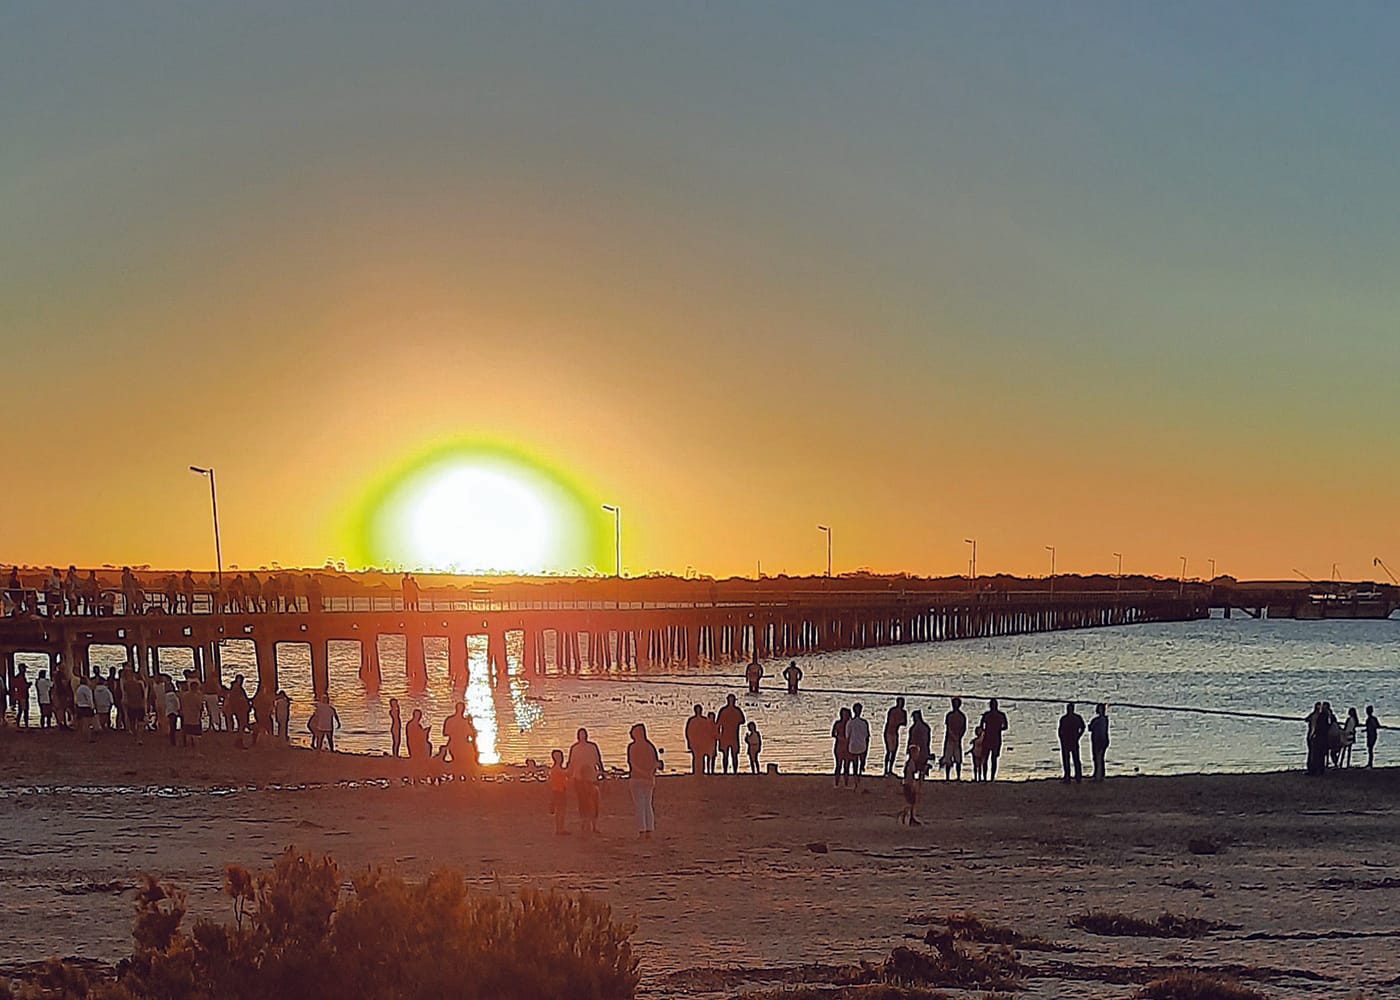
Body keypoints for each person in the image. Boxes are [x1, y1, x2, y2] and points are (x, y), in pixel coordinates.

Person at [626, 723, 663, 839]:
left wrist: (644, 773)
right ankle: (649, 830)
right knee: (647, 804)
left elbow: (632, 764)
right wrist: (650, 773)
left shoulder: (632, 747)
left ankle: (642, 830)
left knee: (640, 805)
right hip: (648, 778)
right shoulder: (650, 746)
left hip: (637, 778)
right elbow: (656, 763)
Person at [566, 728, 605, 834]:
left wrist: (602, 773)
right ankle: (584, 823)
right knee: (582, 802)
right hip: (579, 778)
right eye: (580, 734)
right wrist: (569, 775)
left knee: (593, 802)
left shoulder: (592, 747)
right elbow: (571, 762)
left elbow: (598, 760)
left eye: (584, 734)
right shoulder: (574, 748)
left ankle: (594, 824)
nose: (582, 736)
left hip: (591, 777)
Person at [980, 699, 1009, 781]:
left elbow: (981, 726)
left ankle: (986, 777)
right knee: (993, 759)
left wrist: (986, 729)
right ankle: (991, 778)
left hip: (989, 737)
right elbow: (1005, 727)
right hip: (996, 738)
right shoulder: (1001, 715)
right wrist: (998, 728)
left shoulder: (987, 715)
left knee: (987, 758)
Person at [716, 694, 745, 774]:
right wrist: (718, 735)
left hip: (733, 736)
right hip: (726, 735)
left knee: (734, 755)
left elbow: (743, 721)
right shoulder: (724, 710)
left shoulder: (736, 710)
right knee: (725, 755)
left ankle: (734, 771)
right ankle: (725, 771)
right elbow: (718, 723)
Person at [1058, 702, 1085, 783]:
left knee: (1073, 759)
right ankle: (1073, 777)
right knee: (1071, 759)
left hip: (1071, 740)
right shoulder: (1067, 718)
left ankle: (1073, 777)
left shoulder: (1067, 718)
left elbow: (1083, 727)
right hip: (1069, 740)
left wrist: (1078, 736)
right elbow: (1060, 731)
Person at [942, 697, 967, 781]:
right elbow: (948, 728)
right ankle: (947, 777)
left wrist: (958, 737)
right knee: (948, 759)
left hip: (956, 740)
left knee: (957, 759)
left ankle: (958, 776)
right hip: (950, 739)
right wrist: (956, 736)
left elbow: (963, 728)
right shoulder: (950, 715)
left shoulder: (961, 716)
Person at [847, 703, 871, 787]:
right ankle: (859, 776)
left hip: (853, 746)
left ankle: (855, 778)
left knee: (855, 763)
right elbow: (867, 736)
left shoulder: (850, 723)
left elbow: (847, 735)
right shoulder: (864, 722)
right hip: (862, 745)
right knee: (861, 761)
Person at [898, 744, 922, 826]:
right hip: (909, 784)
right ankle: (907, 816)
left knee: (912, 802)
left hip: (907, 783)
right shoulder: (911, 763)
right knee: (911, 802)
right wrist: (913, 785)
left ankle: (911, 817)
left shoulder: (910, 763)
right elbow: (910, 775)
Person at [883, 697, 907, 775]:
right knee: (888, 751)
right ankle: (886, 769)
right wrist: (898, 721)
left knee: (894, 751)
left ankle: (890, 769)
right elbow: (890, 721)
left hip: (895, 732)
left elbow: (904, 723)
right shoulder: (892, 711)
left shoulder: (903, 712)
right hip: (889, 732)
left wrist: (898, 722)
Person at [548, 748, 570, 834]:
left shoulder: (556, 768)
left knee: (561, 810)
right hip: (558, 791)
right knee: (560, 810)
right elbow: (567, 773)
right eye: (557, 757)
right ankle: (560, 829)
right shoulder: (556, 768)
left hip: (559, 790)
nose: (559, 758)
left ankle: (560, 828)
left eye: (560, 757)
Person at [907, 709, 931, 781]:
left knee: (913, 766)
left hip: (916, 749)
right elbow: (928, 740)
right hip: (924, 749)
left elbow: (911, 739)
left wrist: (908, 749)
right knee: (921, 766)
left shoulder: (914, 728)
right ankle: (921, 780)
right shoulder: (926, 727)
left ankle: (913, 780)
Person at [1088, 703, 1110, 781]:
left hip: (1100, 740)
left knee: (1098, 758)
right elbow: (1090, 728)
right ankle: (1099, 774)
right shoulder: (1100, 720)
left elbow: (1091, 728)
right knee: (1097, 758)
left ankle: (1099, 775)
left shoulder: (1101, 720)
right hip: (1097, 739)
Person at [179, 680, 204, 747]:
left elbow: (181, 705)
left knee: (188, 734)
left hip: (186, 717)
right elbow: (199, 706)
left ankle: (188, 748)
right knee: (195, 736)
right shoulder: (196, 697)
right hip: (195, 718)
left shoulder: (184, 695)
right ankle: (195, 749)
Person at [832, 707, 852, 787]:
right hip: (839, 746)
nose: (845, 716)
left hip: (847, 747)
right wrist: (839, 737)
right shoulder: (837, 723)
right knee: (838, 765)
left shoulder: (850, 724)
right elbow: (833, 734)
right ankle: (836, 782)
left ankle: (846, 783)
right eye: (844, 714)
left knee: (847, 766)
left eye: (846, 715)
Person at [685, 704, 708, 774]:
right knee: (695, 757)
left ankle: (702, 771)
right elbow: (688, 732)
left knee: (702, 757)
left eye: (699, 710)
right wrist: (689, 742)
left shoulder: (705, 720)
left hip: (702, 741)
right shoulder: (691, 720)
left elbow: (707, 731)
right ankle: (695, 771)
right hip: (694, 741)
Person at [74, 674, 96, 741]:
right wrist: (92, 706)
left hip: (80, 706)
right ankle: (89, 738)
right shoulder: (86, 689)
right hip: (86, 707)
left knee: (81, 724)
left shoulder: (78, 688)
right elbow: (89, 698)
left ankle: (81, 737)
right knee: (87, 724)